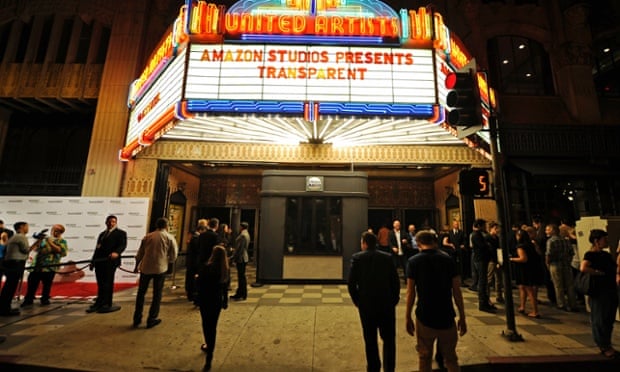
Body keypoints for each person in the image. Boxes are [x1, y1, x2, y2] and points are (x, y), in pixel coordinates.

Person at [406, 231, 467, 372]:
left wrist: (407, 315)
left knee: (424, 357)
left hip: (424, 314)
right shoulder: (448, 260)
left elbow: (411, 292)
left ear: (419, 243)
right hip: (446, 314)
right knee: (451, 357)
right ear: (435, 242)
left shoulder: (414, 261)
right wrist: (462, 317)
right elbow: (457, 292)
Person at [348, 231, 400, 372]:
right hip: (386, 305)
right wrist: (393, 300)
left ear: (364, 243)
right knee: (389, 340)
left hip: (367, 305)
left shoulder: (357, 258)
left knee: (370, 340)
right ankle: (389, 368)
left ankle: (373, 368)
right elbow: (395, 282)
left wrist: (358, 301)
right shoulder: (387, 258)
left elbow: (351, 284)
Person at [132, 217, 178, 329]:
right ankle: (151, 319)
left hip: (146, 268)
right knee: (157, 294)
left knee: (141, 293)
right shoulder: (169, 237)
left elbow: (140, 252)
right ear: (166, 226)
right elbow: (174, 254)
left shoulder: (148, 236)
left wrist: (136, 266)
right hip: (160, 268)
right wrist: (168, 260)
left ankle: (137, 318)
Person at [580, 229, 619, 359]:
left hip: (610, 289)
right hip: (599, 290)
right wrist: (598, 272)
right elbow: (583, 267)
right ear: (597, 241)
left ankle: (607, 344)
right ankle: (604, 345)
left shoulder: (605, 255)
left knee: (608, 318)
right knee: (600, 319)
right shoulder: (591, 255)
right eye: (604, 239)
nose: (606, 241)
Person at [196, 245, 229, 371]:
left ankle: (208, 346)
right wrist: (225, 301)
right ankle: (210, 352)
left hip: (206, 299)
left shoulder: (207, 267)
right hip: (216, 300)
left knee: (206, 324)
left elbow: (200, 284)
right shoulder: (225, 269)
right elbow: (225, 287)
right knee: (213, 326)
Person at [87, 215, 127, 313]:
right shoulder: (102, 234)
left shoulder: (121, 233)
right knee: (100, 283)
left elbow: (122, 245)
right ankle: (99, 302)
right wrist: (93, 262)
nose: (111, 223)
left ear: (116, 223)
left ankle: (106, 303)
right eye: (109, 221)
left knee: (108, 283)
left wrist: (117, 252)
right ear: (106, 222)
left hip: (110, 262)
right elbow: (97, 249)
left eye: (113, 221)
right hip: (100, 262)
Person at [21, 224, 68, 307]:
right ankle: (28, 299)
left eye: (57, 230)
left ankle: (45, 299)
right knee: (32, 283)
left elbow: (60, 251)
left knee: (47, 285)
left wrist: (49, 241)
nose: (54, 231)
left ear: (61, 232)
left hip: (49, 267)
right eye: (53, 229)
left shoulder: (61, 241)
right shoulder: (43, 240)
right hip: (37, 266)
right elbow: (34, 249)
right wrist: (39, 240)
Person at [0, 222, 38, 316]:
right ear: (21, 227)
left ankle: (4, 307)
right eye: (26, 226)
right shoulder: (21, 237)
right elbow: (26, 250)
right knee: (10, 286)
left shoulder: (14, 236)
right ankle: (5, 309)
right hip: (16, 263)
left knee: (9, 286)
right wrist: (37, 242)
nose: (27, 228)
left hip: (10, 263)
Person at [510, 229, 544, 318]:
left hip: (524, 269)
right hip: (531, 267)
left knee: (528, 289)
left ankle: (535, 311)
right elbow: (539, 253)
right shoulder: (532, 244)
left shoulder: (520, 246)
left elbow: (523, 258)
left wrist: (512, 259)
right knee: (523, 287)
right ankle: (522, 306)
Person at [545, 224, 577, 312]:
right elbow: (571, 252)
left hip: (555, 264)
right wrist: (568, 261)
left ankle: (561, 304)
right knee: (570, 285)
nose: (546, 232)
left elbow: (548, 254)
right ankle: (573, 304)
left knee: (558, 285)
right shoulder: (566, 240)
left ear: (553, 230)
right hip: (566, 264)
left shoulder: (551, 241)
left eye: (548, 230)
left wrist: (547, 263)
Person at [470, 219, 495, 312]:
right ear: (479, 226)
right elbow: (483, 246)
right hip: (480, 259)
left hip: (481, 259)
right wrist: (487, 245)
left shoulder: (479, 234)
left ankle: (485, 302)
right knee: (482, 281)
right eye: (484, 225)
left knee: (483, 281)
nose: (485, 227)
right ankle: (482, 303)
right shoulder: (476, 235)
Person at [186, 223, 207, 302]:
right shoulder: (196, 238)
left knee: (192, 278)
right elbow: (197, 250)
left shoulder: (195, 237)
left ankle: (192, 293)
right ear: (201, 230)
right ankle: (192, 294)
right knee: (192, 278)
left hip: (193, 261)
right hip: (194, 261)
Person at [230, 222, 250, 301]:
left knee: (241, 276)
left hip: (241, 258)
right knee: (242, 276)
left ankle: (241, 293)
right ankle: (241, 293)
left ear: (241, 227)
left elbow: (239, 249)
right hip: (244, 257)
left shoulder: (242, 235)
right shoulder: (247, 234)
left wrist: (234, 257)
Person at [486, 222, 504, 304]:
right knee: (489, 280)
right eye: (495, 228)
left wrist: (499, 261)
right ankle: (487, 297)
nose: (497, 230)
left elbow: (498, 249)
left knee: (498, 279)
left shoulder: (497, 238)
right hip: (490, 260)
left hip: (497, 260)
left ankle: (499, 296)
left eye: (498, 228)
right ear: (491, 229)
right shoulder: (487, 238)